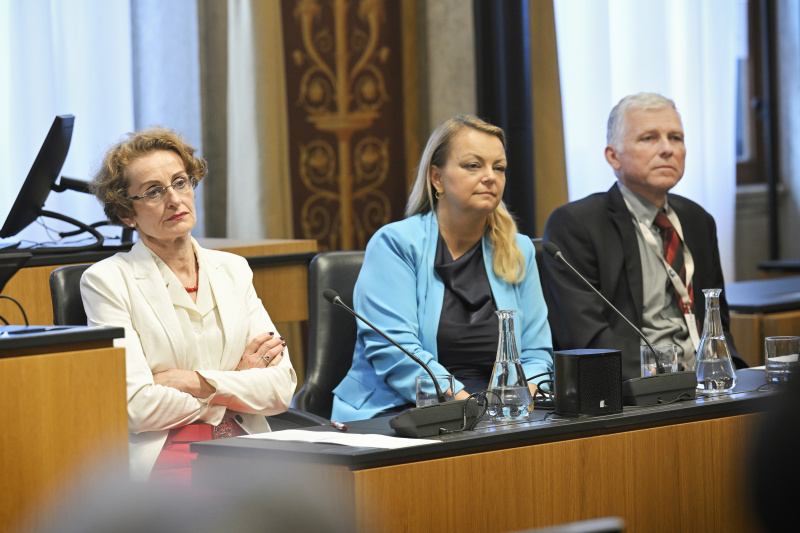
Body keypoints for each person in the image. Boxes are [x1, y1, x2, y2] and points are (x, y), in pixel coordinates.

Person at [81, 127, 296, 482]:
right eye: (153, 192)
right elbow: (137, 407)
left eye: (181, 182)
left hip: (251, 449)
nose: (175, 200)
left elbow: (280, 388)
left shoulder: (233, 269)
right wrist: (234, 384)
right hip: (170, 458)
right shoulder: (107, 281)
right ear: (126, 214)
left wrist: (192, 381)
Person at [331, 115, 554, 421]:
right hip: (402, 410)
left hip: (497, 415)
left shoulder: (519, 249)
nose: (490, 176)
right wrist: (471, 408)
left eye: (499, 167)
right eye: (473, 165)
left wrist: (520, 404)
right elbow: (398, 354)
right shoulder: (396, 244)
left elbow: (536, 354)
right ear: (437, 177)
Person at [541, 92, 741, 381]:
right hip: (636, 386)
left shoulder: (698, 220)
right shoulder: (576, 224)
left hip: (709, 381)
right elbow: (586, 337)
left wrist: (732, 370)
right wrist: (668, 381)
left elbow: (717, 321)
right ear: (613, 156)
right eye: (649, 138)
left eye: (676, 137)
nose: (667, 149)